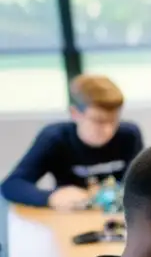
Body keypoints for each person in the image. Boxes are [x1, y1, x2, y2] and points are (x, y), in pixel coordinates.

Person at [1, 74, 143, 209]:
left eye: (113, 120)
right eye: (98, 121)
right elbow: (12, 185)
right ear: (75, 114)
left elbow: (143, 182)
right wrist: (50, 197)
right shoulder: (55, 138)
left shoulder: (129, 135)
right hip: (72, 215)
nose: (108, 129)